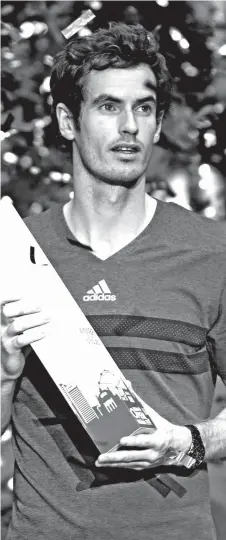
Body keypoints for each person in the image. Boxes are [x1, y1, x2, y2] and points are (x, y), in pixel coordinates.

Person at [1, 23, 226, 540]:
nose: (129, 126)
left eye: (143, 108)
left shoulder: (212, 256)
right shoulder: (13, 258)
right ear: (67, 120)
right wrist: (6, 372)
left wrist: (186, 443)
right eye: (107, 107)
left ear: (158, 121)